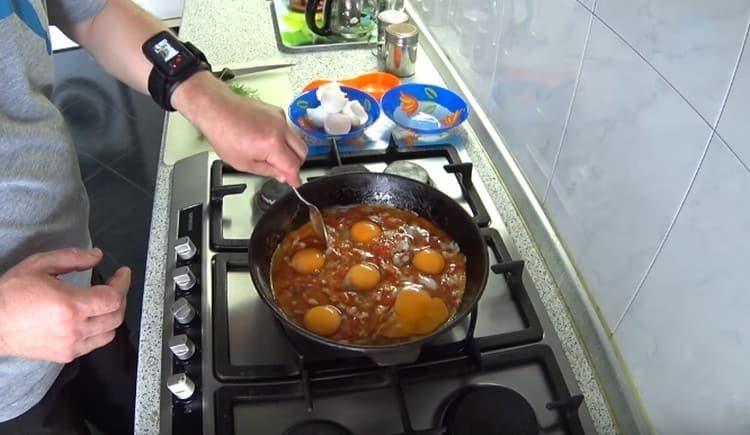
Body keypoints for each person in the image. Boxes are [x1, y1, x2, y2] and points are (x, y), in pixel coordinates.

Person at [0, 0, 307, 433]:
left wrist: (205, 95)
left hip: (75, 278)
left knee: (139, 411)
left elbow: (92, 12)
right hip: (6, 391)